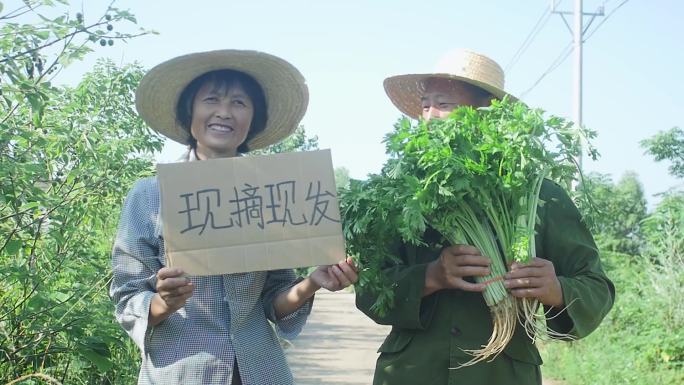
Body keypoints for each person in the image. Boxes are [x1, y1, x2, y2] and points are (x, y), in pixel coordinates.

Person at [356, 49, 615, 385]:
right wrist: (432, 276)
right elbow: (369, 290)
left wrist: (556, 289)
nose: (430, 116)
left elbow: (597, 288)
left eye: (444, 104)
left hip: (501, 373)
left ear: (489, 114)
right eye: (425, 104)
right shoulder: (402, 193)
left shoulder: (537, 194)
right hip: (414, 371)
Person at [110, 49, 358, 385]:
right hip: (181, 372)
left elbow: (273, 299)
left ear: (253, 118)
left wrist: (313, 282)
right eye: (211, 99)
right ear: (190, 111)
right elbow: (128, 296)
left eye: (239, 103)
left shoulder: (271, 194)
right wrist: (164, 303)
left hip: (260, 371)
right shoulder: (149, 196)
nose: (224, 112)